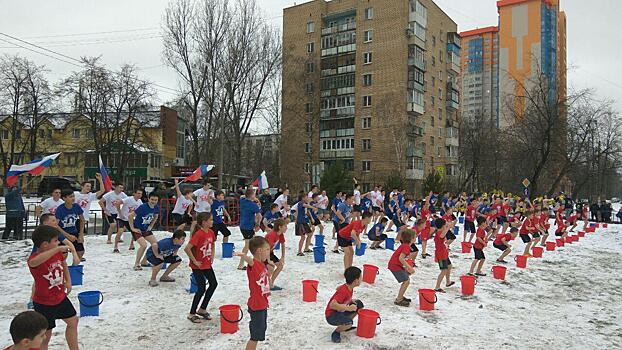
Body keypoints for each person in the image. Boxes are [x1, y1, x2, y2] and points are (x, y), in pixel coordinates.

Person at [28, 225, 79, 350]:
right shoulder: (35, 258)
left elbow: (63, 263)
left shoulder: (57, 254)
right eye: (55, 241)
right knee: (45, 335)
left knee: (73, 321)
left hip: (60, 297)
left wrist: (68, 281)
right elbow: (33, 263)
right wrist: (57, 249)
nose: (58, 243)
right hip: (44, 302)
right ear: (45, 244)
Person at [234, 236, 271, 350]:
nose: (269, 252)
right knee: (254, 337)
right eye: (267, 250)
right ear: (259, 251)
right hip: (257, 305)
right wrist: (243, 255)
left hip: (262, 304)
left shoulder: (262, 264)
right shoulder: (254, 264)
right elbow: (250, 260)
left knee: (259, 333)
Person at [184, 212, 218, 323]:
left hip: (207, 264)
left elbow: (212, 244)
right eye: (211, 220)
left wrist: (212, 255)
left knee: (213, 284)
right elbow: (187, 248)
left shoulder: (211, 232)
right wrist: (194, 261)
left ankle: (202, 309)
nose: (212, 222)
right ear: (204, 222)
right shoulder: (199, 234)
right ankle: (192, 313)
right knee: (201, 288)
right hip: (198, 265)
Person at [325, 266, 364, 344]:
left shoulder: (349, 286)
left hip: (340, 311)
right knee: (349, 323)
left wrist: (350, 301)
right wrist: (348, 308)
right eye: (361, 277)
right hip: (331, 316)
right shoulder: (344, 291)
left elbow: (341, 293)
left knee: (359, 305)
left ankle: (344, 325)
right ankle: (337, 332)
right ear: (356, 281)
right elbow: (332, 305)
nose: (362, 279)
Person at [128, 193, 160, 270]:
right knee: (143, 245)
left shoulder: (156, 207)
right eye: (152, 199)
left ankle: (144, 261)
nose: (153, 201)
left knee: (155, 244)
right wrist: (132, 228)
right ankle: (136, 264)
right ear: (148, 199)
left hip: (145, 228)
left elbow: (156, 216)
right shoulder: (143, 207)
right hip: (137, 228)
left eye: (155, 200)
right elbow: (130, 216)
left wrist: (151, 225)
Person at [54, 190, 85, 260]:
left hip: (74, 232)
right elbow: (56, 225)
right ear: (64, 198)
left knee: (80, 252)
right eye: (70, 197)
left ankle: (74, 267)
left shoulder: (76, 206)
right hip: (62, 233)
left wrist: (81, 234)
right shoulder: (60, 209)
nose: (73, 198)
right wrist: (67, 235)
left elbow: (82, 220)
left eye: (73, 196)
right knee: (63, 253)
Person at [388, 229, 415, 307]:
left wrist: (406, 269)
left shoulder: (405, 246)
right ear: (411, 238)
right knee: (406, 281)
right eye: (415, 236)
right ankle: (399, 299)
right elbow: (401, 258)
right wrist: (409, 267)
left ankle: (400, 296)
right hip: (395, 266)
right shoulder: (406, 247)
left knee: (406, 279)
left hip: (396, 265)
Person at [237, 189, 262, 270]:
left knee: (254, 243)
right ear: (251, 195)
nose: (255, 196)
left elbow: (242, 196)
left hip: (243, 225)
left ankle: (256, 260)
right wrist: (258, 224)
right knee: (247, 246)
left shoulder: (242, 200)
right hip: (247, 227)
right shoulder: (253, 205)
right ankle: (241, 264)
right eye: (254, 194)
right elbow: (259, 216)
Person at [113, 189, 143, 253]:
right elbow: (117, 203)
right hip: (122, 218)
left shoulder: (140, 201)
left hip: (130, 219)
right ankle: (115, 246)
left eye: (140, 194)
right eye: (138, 193)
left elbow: (141, 210)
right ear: (134, 193)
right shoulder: (129, 199)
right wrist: (120, 212)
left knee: (134, 231)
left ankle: (131, 245)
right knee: (120, 231)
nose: (139, 195)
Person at [265, 219, 286, 291]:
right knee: (271, 268)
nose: (286, 228)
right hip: (262, 253)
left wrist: (282, 257)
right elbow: (267, 248)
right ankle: (265, 285)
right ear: (280, 227)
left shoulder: (280, 234)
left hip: (270, 253)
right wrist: (268, 260)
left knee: (280, 265)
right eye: (285, 226)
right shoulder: (272, 235)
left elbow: (283, 244)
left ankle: (270, 284)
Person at [433, 218, 454, 293]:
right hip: (440, 255)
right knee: (443, 270)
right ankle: (437, 287)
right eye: (445, 224)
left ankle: (448, 282)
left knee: (449, 266)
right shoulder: (439, 232)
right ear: (442, 226)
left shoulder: (441, 231)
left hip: (444, 253)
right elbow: (442, 236)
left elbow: (443, 239)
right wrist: (448, 227)